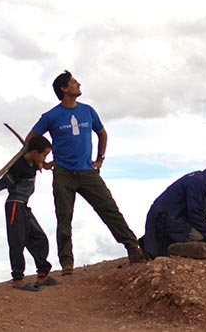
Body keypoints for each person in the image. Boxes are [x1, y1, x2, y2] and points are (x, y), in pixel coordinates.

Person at [26, 70, 146, 274]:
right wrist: (42, 162)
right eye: (73, 82)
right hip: (63, 173)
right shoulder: (51, 116)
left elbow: (102, 133)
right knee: (64, 217)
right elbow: (31, 140)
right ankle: (67, 263)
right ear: (64, 88)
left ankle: (132, 248)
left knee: (109, 209)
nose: (78, 84)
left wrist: (100, 159)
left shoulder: (88, 111)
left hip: (88, 172)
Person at [0, 135, 59, 291]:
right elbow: (3, 182)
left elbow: (40, 163)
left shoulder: (32, 162)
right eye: (44, 155)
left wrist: (42, 163)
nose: (45, 158)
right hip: (14, 205)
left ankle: (43, 274)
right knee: (17, 241)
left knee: (38, 238)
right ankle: (18, 279)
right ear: (34, 152)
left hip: (23, 206)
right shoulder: (19, 167)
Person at [140, 158, 206, 259]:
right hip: (166, 218)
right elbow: (195, 215)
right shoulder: (198, 182)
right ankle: (167, 248)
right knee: (203, 239)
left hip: (178, 219)